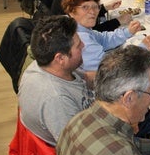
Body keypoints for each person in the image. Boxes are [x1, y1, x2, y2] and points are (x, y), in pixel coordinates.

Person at [19, 16, 94, 146]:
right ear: (60, 58)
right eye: (78, 45)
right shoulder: (57, 101)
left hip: (88, 116)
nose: (83, 45)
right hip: (86, 141)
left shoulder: (45, 64)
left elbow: (86, 78)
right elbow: (81, 147)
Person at [61, 0, 150, 81]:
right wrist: (141, 49)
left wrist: (127, 32)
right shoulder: (82, 39)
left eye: (95, 7)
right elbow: (112, 68)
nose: (92, 12)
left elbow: (103, 39)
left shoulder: (78, 27)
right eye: (85, 7)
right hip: (101, 83)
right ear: (71, 11)